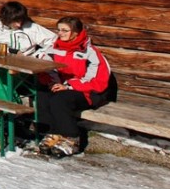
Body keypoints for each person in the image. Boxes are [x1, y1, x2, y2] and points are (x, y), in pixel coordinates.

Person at [35, 17, 114, 158]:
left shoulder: (89, 52)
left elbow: (97, 79)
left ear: (76, 32)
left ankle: (71, 137)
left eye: (65, 30)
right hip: (61, 86)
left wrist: (69, 86)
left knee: (60, 99)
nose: (60, 33)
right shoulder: (54, 47)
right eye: (58, 30)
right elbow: (45, 67)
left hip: (86, 91)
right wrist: (51, 82)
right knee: (43, 94)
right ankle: (52, 132)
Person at [0, 1, 56, 102]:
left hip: (22, 69)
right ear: (5, 18)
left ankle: (12, 112)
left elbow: (54, 41)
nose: (19, 24)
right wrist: (11, 52)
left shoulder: (31, 28)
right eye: (15, 21)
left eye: (21, 20)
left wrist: (36, 56)